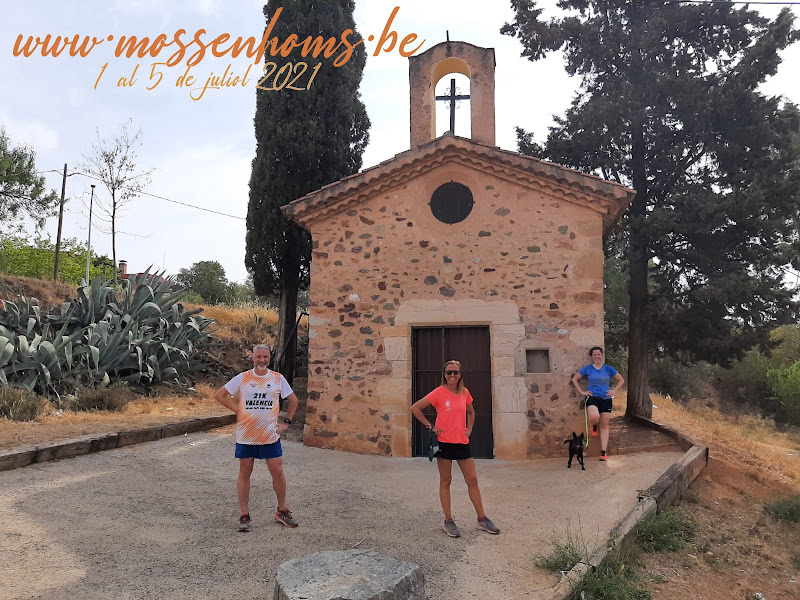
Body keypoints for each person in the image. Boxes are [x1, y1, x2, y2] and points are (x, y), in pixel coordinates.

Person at [214, 344, 299, 532]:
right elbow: (220, 395)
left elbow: (294, 401)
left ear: (269, 358)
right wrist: (237, 410)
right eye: (259, 356)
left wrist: (286, 422)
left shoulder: (277, 378)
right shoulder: (243, 378)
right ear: (253, 358)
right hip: (246, 435)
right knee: (245, 472)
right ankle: (244, 515)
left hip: (270, 435)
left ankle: (282, 510)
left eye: (265, 357)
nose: (262, 360)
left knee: (278, 471)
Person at [410, 360, 500, 538]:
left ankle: (482, 519)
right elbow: (415, 408)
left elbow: (471, 412)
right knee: (446, 481)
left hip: (462, 442)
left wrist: (470, 428)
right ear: (444, 375)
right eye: (449, 372)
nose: (452, 375)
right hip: (444, 442)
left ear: (460, 375)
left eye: (455, 372)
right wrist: (430, 426)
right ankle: (448, 521)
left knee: (472, 479)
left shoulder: (465, 392)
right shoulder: (438, 392)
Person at [571, 346, 625, 461]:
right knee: (595, 417)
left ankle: (603, 453)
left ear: (602, 355)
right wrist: (582, 391)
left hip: (606, 399)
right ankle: (594, 425)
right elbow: (575, 379)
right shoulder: (588, 369)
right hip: (592, 398)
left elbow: (621, 380)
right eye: (594, 355)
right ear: (592, 357)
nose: (597, 356)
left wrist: (614, 391)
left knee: (605, 425)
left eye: (598, 354)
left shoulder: (608, 369)